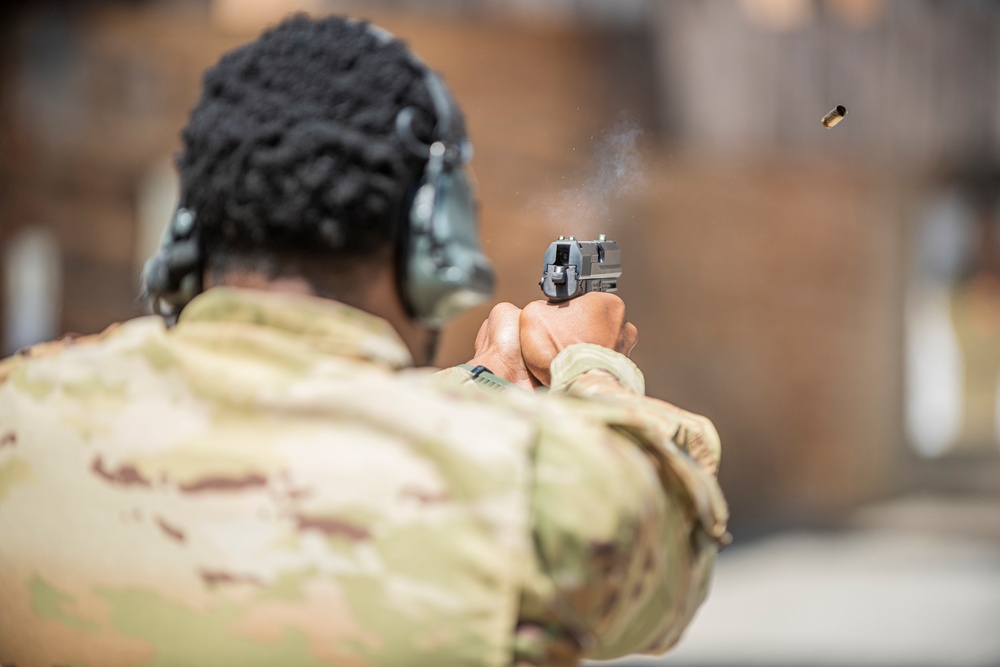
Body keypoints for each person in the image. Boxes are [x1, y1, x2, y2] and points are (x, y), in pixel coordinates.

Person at [0, 14, 728, 667]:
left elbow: (283, 416)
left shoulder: (20, 416)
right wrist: (586, 365)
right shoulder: (526, 492)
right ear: (434, 239)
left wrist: (482, 388)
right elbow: (668, 525)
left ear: (189, 229)